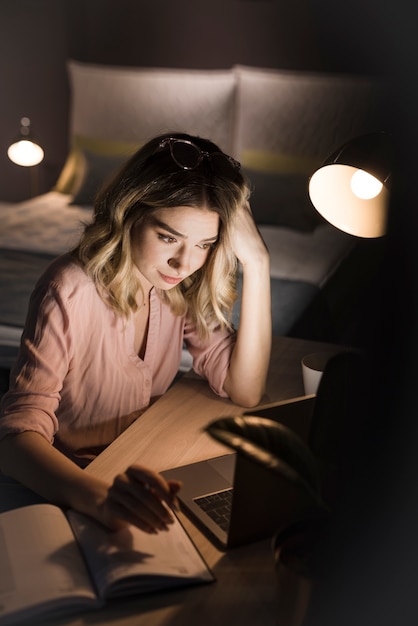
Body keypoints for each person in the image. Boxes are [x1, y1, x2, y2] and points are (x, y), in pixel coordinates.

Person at [0, 132, 271, 534]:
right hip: (67, 487)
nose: (184, 262)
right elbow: (14, 440)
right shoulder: (68, 288)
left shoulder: (179, 286)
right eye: (168, 237)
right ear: (129, 214)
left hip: (139, 468)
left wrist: (258, 261)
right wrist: (97, 497)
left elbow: (244, 389)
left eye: (205, 244)